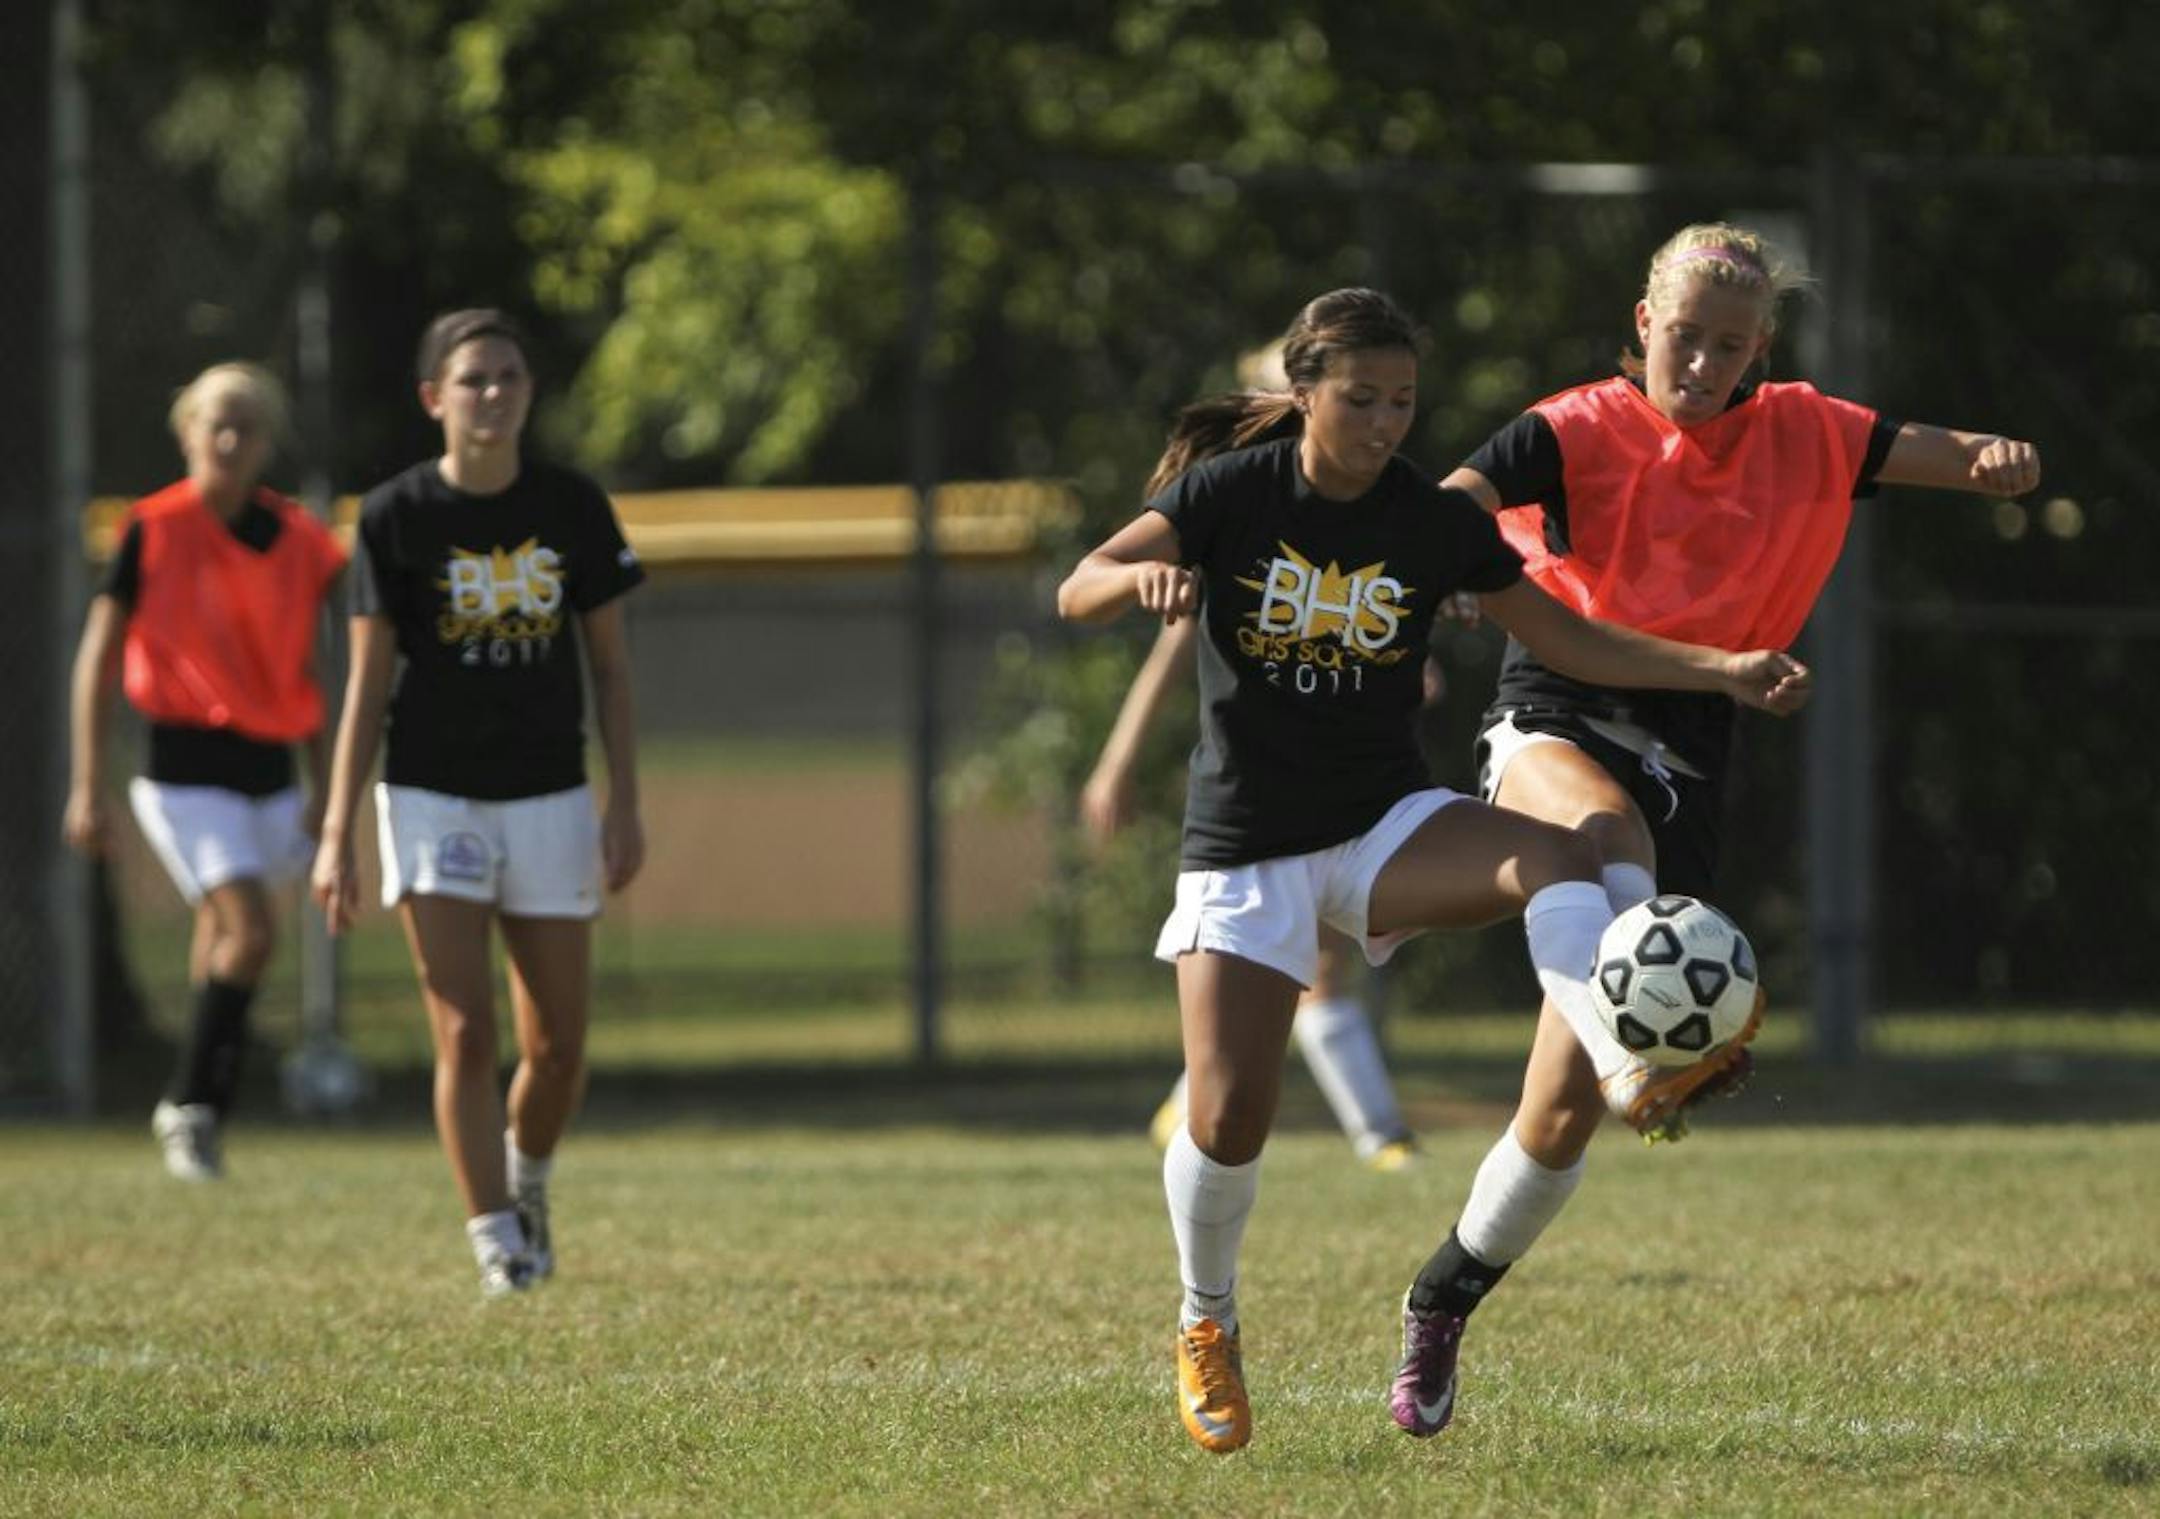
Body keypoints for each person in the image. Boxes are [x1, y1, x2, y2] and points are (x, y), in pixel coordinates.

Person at [1056, 287, 1811, 1453]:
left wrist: (1717, 668)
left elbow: (1565, 635)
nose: (1384, 425)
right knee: (1228, 1113)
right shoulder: (1234, 492)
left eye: (1402, 401)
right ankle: (1206, 1320)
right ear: (1305, 392)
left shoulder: (1424, 517)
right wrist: (1141, 580)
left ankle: (1627, 1052)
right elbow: (1079, 583)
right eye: (1360, 400)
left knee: (1558, 859)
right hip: (1249, 843)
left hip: (1381, 822)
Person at [1394, 222, 2042, 1441]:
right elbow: (1456, 501)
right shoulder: (1575, 427)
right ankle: (1645, 1026)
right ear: (1644, 321)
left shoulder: (1803, 428)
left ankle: (1441, 1301)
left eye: (1727, 346)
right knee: (1595, 829)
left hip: (1696, 734)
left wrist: (1999, 463)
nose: (1699, 362)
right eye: (1682, 336)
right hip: (1556, 705)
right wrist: (1456, 565)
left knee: (1559, 1111)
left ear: (1760, 352)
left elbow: (1927, 452)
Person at [310, 309, 646, 1300]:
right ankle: (495, 1233)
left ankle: (526, 1176)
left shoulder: (573, 507)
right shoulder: (396, 514)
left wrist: (625, 802)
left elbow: (613, 672)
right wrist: (336, 834)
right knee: (463, 1029)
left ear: (529, 394)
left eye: (509, 377)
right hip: (431, 794)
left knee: (557, 1048)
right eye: (472, 380)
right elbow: (367, 685)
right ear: (434, 398)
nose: (492, 394)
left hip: (548, 793)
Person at [63, 362, 346, 1181]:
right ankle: (193, 1102)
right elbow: (99, 656)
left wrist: (327, 785)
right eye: (214, 423)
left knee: (225, 935)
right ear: (185, 430)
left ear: (266, 442)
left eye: (246, 426)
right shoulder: (153, 528)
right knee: (250, 929)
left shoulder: (299, 540)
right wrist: (87, 784)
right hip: (184, 764)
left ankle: (198, 1113)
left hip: (272, 763)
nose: (228, 439)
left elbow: (319, 670)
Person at [1086, 612, 1418, 1172]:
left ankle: (1186, 1105)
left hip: (1342, 779)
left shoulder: (1359, 538)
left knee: (1301, 973)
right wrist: (1117, 762)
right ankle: (1381, 1136)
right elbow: (1173, 645)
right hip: (1257, 794)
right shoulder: (1241, 536)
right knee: (1308, 969)